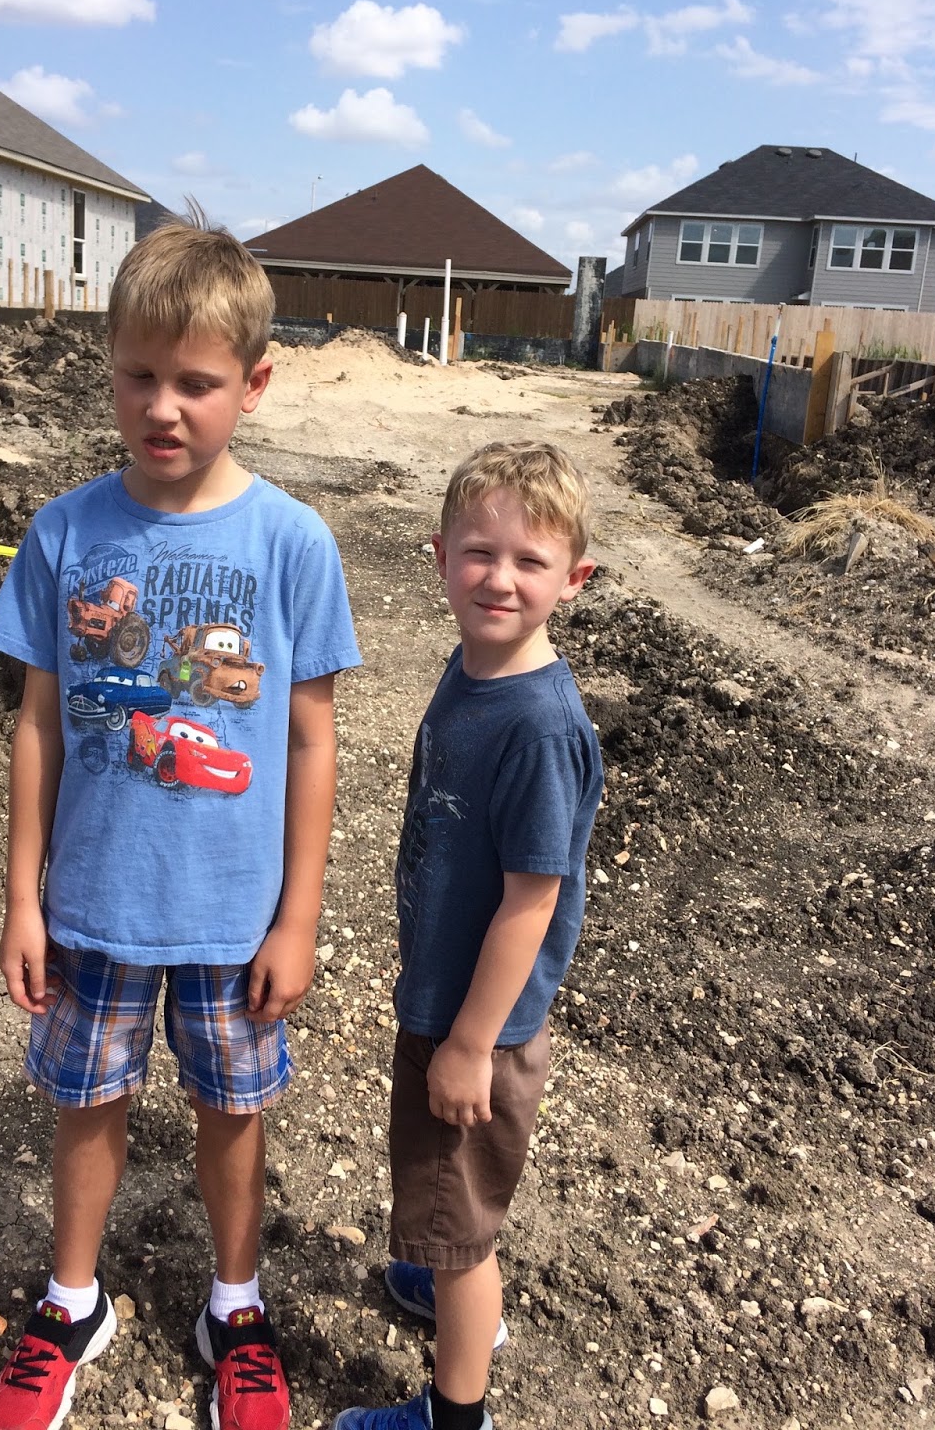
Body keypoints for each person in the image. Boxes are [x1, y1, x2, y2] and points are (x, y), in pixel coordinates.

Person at [0, 212, 360, 1430]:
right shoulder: (65, 531)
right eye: (138, 374)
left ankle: (235, 1307)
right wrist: (22, 897)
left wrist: (298, 918)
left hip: (233, 915)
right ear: (109, 367)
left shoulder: (293, 542)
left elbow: (310, 741)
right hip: (93, 899)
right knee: (85, 1101)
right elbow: (39, 723)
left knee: (232, 1112)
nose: (163, 407)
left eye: (196, 382)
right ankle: (70, 1299)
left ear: (254, 383)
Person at [334, 441, 603, 1430]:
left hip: (476, 1029)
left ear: (574, 580)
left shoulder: (539, 728)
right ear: (440, 556)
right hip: (449, 1003)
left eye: (531, 561)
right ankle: (443, 1270)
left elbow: (530, 903)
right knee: (446, 1207)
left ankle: (455, 1413)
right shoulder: (473, 668)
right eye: (480, 553)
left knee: (463, 1233)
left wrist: (469, 1044)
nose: (500, 578)